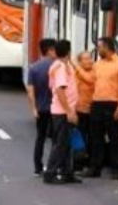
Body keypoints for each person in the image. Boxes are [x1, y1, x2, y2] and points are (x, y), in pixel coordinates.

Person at [81, 37, 118, 180]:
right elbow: (91, 82)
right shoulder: (97, 64)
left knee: (114, 138)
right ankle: (95, 167)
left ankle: (116, 168)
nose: (98, 49)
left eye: (100, 47)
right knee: (96, 138)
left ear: (108, 47)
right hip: (97, 103)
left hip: (112, 104)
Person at [43, 40, 80, 185]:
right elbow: (59, 90)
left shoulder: (64, 66)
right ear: (69, 52)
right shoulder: (60, 68)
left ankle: (67, 173)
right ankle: (50, 173)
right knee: (61, 144)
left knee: (66, 144)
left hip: (63, 110)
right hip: (62, 112)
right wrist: (69, 111)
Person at [26, 39, 56, 177]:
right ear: (50, 50)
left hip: (41, 108)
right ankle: (54, 165)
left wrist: (34, 109)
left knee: (40, 138)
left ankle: (38, 166)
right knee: (56, 139)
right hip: (56, 109)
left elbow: (30, 91)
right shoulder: (56, 67)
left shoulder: (33, 68)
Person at [73, 51, 96, 170]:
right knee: (80, 137)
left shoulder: (94, 71)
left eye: (90, 58)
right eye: (85, 59)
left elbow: (90, 80)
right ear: (80, 62)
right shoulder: (75, 74)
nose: (89, 61)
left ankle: (90, 162)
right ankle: (78, 163)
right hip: (79, 110)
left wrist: (77, 68)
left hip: (91, 109)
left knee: (92, 137)